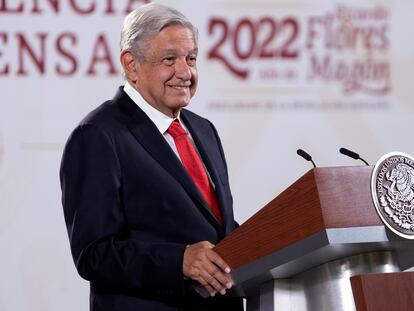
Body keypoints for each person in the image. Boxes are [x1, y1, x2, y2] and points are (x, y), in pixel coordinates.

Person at [60, 3, 243, 311]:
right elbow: (93, 254)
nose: (185, 72)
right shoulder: (98, 134)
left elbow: (214, 230)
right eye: (169, 59)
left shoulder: (203, 129)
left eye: (191, 58)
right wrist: (179, 261)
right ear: (131, 64)